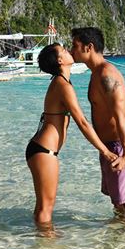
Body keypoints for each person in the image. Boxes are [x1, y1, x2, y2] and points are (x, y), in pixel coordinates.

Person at [27, 43, 118, 231]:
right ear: (60, 60)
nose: (69, 51)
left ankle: (42, 246)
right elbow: (82, 122)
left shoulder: (62, 82)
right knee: (46, 208)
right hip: (44, 151)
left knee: (44, 207)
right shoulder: (61, 84)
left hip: (42, 149)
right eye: (65, 51)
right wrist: (105, 151)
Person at [70, 27, 125, 222]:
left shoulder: (107, 75)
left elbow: (121, 117)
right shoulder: (95, 74)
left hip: (123, 145)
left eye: (75, 46)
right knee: (119, 204)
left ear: (89, 47)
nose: (72, 50)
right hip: (111, 146)